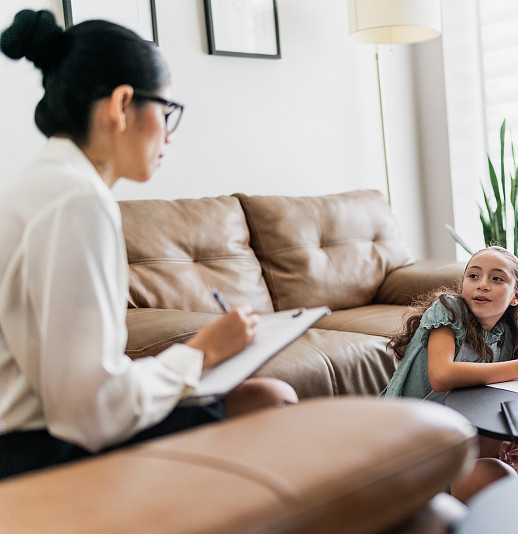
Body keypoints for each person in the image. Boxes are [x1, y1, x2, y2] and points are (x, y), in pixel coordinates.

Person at [0, 9, 297, 479]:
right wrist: (201, 352)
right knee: (271, 398)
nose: (169, 136)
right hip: (32, 456)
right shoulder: (76, 200)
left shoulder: (42, 187)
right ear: (121, 105)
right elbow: (91, 413)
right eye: (165, 112)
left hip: (30, 436)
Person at [381, 245, 518, 502]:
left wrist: (510, 441)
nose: (482, 285)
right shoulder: (449, 309)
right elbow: (441, 376)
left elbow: (498, 401)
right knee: (499, 477)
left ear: (516, 296)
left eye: (497, 278)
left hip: (461, 435)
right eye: (473, 276)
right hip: (415, 443)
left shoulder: (508, 334)